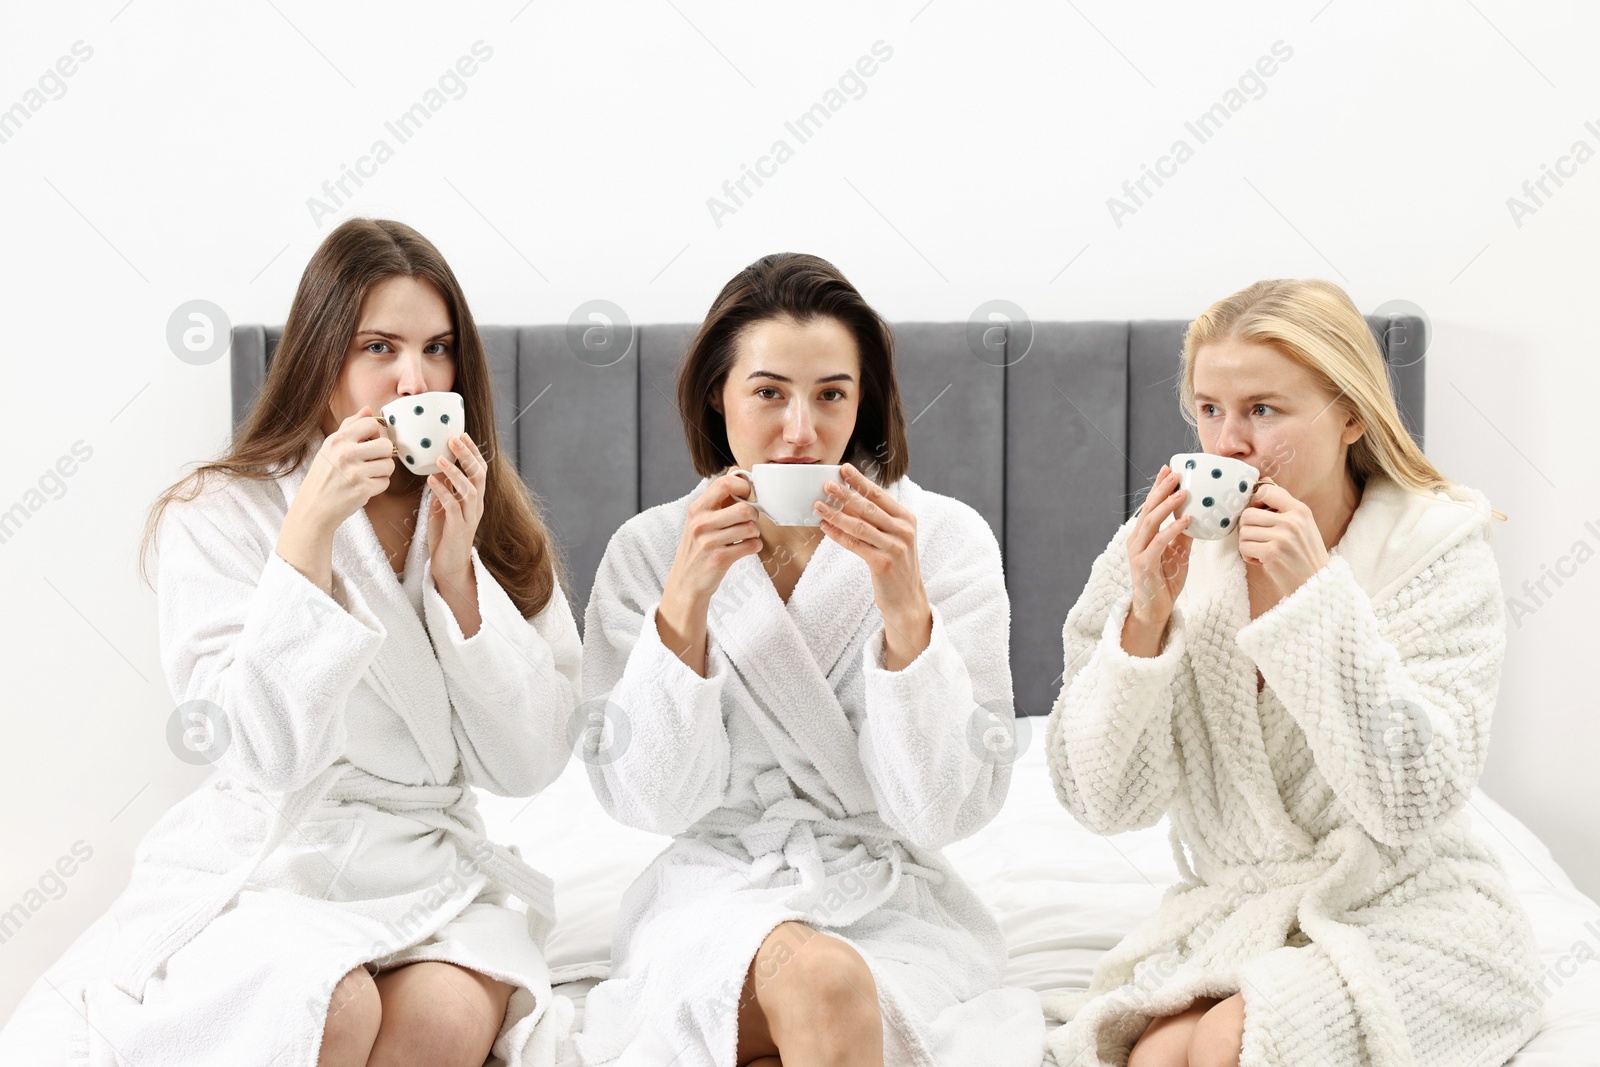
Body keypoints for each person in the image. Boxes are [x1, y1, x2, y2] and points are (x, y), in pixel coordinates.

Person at [66, 218, 583, 1067]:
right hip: (282, 864)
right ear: (322, 361)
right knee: (327, 1003)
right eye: (379, 346)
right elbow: (259, 753)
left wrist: (460, 577)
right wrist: (307, 537)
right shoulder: (221, 513)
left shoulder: (490, 520)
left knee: (447, 1020)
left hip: (428, 867)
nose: (413, 378)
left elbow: (528, 765)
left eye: (438, 349)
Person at [1044, 278, 1542, 1067]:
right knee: (1151, 1054)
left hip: (1412, 916)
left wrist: (1318, 601)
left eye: (1262, 410)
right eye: (1209, 409)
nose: (1229, 443)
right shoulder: (1157, 553)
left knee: (1233, 1043)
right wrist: (1141, 626)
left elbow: (1413, 800)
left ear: (1350, 414)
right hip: (1247, 910)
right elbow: (1103, 800)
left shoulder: (1434, 550)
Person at [572, 253, 1045, 1066]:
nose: (801, 430)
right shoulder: (652, 551)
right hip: (714, 893)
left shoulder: (943, 542)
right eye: (768, 393)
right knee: (820, 984)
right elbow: (647, 800)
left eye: (831, 393)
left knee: (800, 1009)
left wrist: (904, 610)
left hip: (896, 907)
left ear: (864, 403)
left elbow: (943, 812)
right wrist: (684, 605)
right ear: (716, 394)